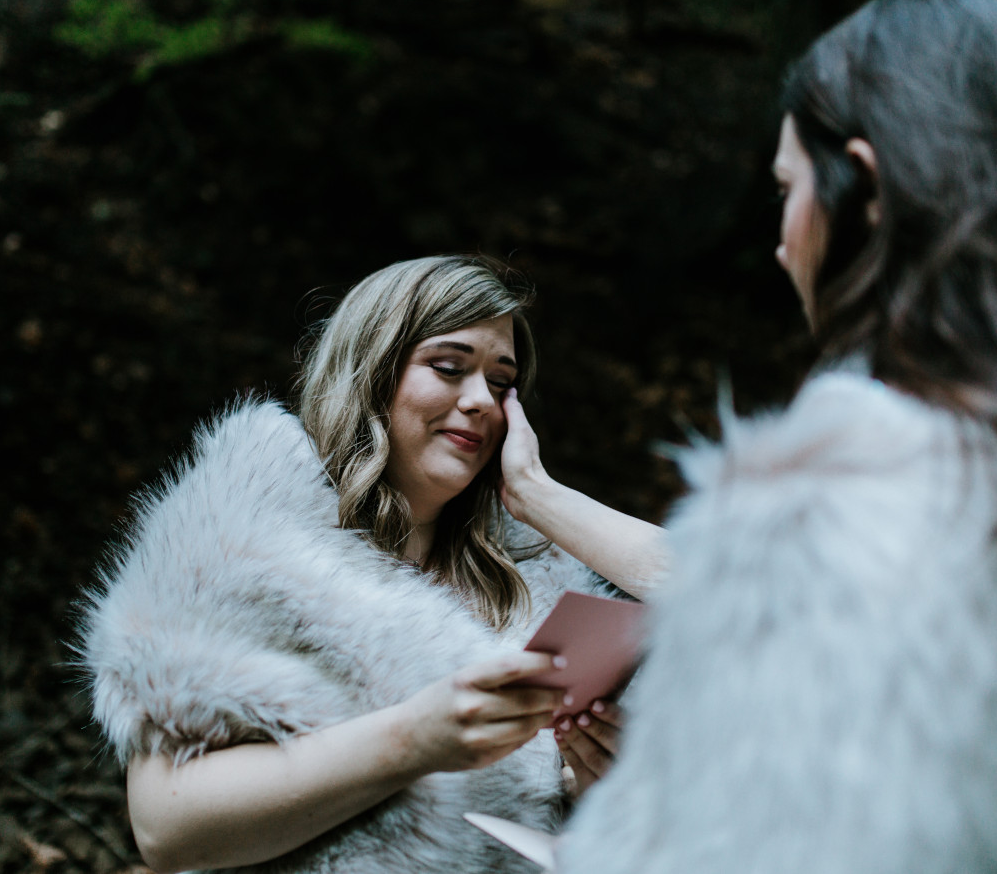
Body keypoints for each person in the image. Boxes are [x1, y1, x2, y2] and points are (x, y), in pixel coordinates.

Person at [558, 0, 997, 874]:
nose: (781, 240)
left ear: (867, 191)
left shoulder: (811, 506)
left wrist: (628, 805)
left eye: (789, 191)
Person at [77, 255, 668, 874]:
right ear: (372, 368)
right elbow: (166, 829)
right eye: (449, 367)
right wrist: (414, 739)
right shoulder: (237, 543)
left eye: (501, 383)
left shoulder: (537, 585)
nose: (480, 402)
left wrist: (594, 792)